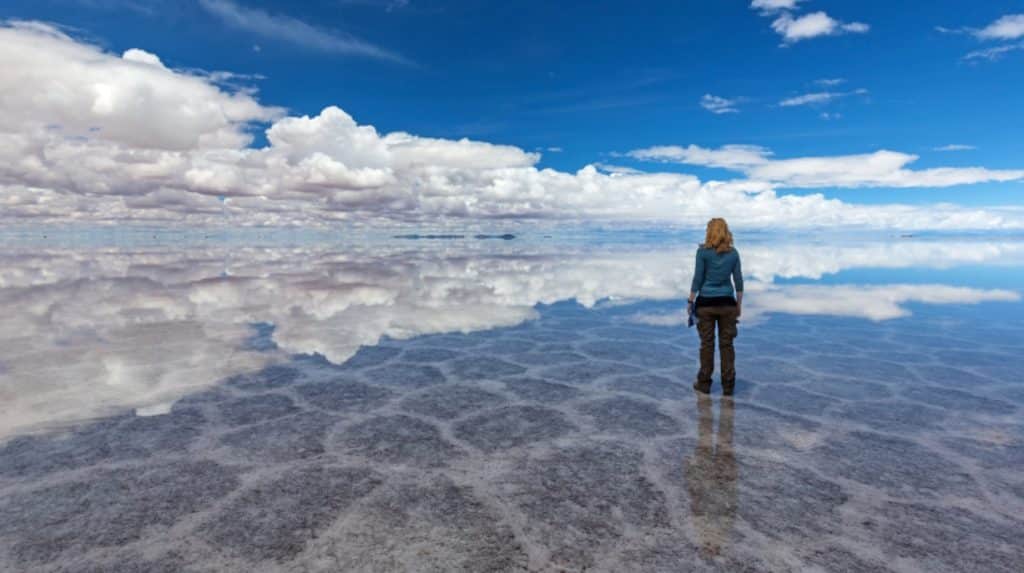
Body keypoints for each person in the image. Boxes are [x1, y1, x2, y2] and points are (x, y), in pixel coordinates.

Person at [687, 218, 743, 396]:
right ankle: (728, 386)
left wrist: (690, 301)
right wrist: (738, 305)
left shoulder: (702, 252)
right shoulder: (733, 253)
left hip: (705, 305)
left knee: (707, 345)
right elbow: (739, 282)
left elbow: (698, 278)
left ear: (709, 232)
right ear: (727, 232)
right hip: (727, 304)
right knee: (727, 346)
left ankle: (704, 383)